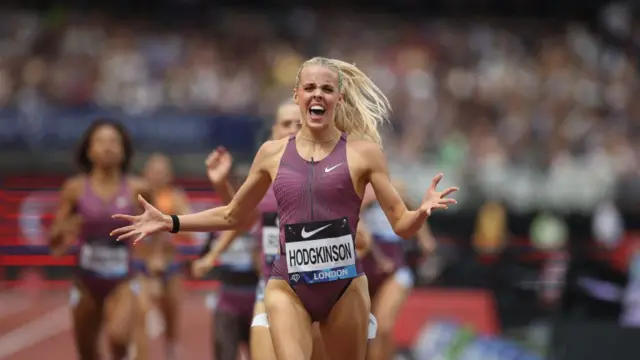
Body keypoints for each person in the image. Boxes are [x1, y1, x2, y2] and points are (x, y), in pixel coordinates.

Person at [111, 57, 458, 360]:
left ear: (338, 98)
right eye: (309, 87)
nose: (318, 94)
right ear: (297, 96)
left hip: (345, 286)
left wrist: (423, 211)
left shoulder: (364, 153)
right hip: (286, 285)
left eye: (326, 88)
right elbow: (233, 215)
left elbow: (401, 224)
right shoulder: (271, 154)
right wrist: (170, 221)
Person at [192, 100, 331, 360]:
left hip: (318, 288)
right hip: (270, 286)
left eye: (298, 124)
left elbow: (355, 230)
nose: (292, 129)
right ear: (274, 131)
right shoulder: (264, 177)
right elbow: (238, 217)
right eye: (286, 124)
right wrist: (222, 184)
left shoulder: (329, 173)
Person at [49, 119, 149, 360]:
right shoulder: (74, 188)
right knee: (87, 352)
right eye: (101, 141)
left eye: (114, 141)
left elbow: (159, 229)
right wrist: (64, 230)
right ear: (89, 150)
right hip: (86, 281)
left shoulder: (138, 187)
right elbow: (55, 241)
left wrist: (152, 258)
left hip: (122, 280)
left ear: (124, 150)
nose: (108, 147)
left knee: (118, 337)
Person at [360, 180, 437, 360]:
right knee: (365, 330)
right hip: (365, 267)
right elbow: (352, 219)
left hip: (395, 266)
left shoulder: (393, 186)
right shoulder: (353, 187)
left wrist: (425, 238)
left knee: (383, 325)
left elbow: (413, 209)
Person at [134, 153, 193, 359]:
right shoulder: (137, 197)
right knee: (140, 315)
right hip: (143, 267)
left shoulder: (175, 197)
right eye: (154, 171)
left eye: (163, 172)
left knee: (172, 320)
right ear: (145, 174)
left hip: (170, 267)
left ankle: (171, 351)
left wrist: (168, 226)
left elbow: (190, 229)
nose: (158, 176)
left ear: (169, 176)